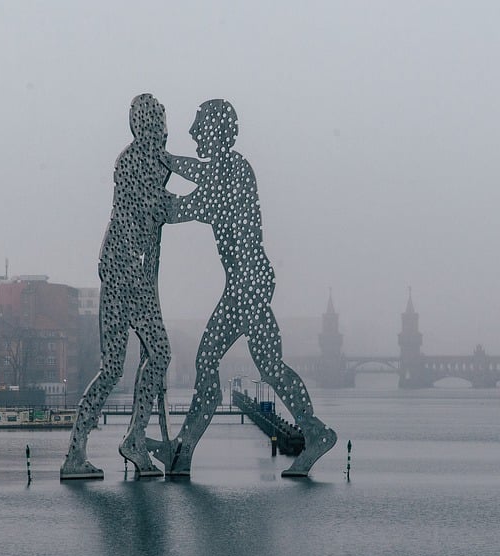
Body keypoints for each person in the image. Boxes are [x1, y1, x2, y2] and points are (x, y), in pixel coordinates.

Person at [149, 99, 336, 477]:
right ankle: (313, 432)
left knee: (213, 364)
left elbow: (187, 205)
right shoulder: (225, 170)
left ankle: (182, 450)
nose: (193, 132)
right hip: (246, 283)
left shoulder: (234, 172)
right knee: (266, 366)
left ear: (216, 130)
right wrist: (164, 162)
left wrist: (155, 184)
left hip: (247, 284)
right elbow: (199, 175)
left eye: (199, 125)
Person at [60, 94, 181, 479]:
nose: (163, 124)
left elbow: (156, 207)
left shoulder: (154, 160)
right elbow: (152, 207)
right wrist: (198, 203)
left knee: (121, 365)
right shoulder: (134, 161)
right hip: (126, 273)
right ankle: (127, 440)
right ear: (145, 123)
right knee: (153, 356)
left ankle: (85, 450)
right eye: (158, 118)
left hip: (126, 271)